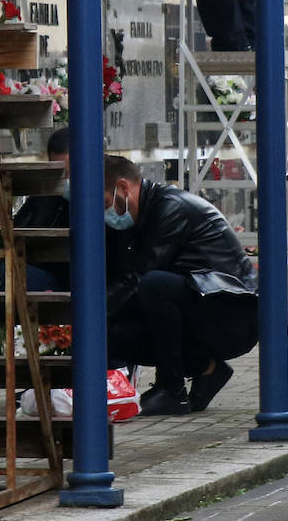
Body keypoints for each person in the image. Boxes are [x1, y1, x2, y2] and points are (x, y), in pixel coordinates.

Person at [103, 154, 258, 415]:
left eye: (104, 202)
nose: (103, 211)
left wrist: (88, 313)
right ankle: (206, 367)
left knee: (154, 285)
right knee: (113, 335)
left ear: (122, 188)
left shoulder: (171, 208)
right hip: (200, 307)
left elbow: (141, 277)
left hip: (235, 314)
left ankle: (171, 390)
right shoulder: (136, 216)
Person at [0, 127, 70, 292]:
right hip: (40, 273)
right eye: (60, 174)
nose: (66, 180)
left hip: (64, 280)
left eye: (71, 173)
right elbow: (13, 234)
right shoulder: (44, 197)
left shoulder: (107, 202)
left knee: (6, 276)